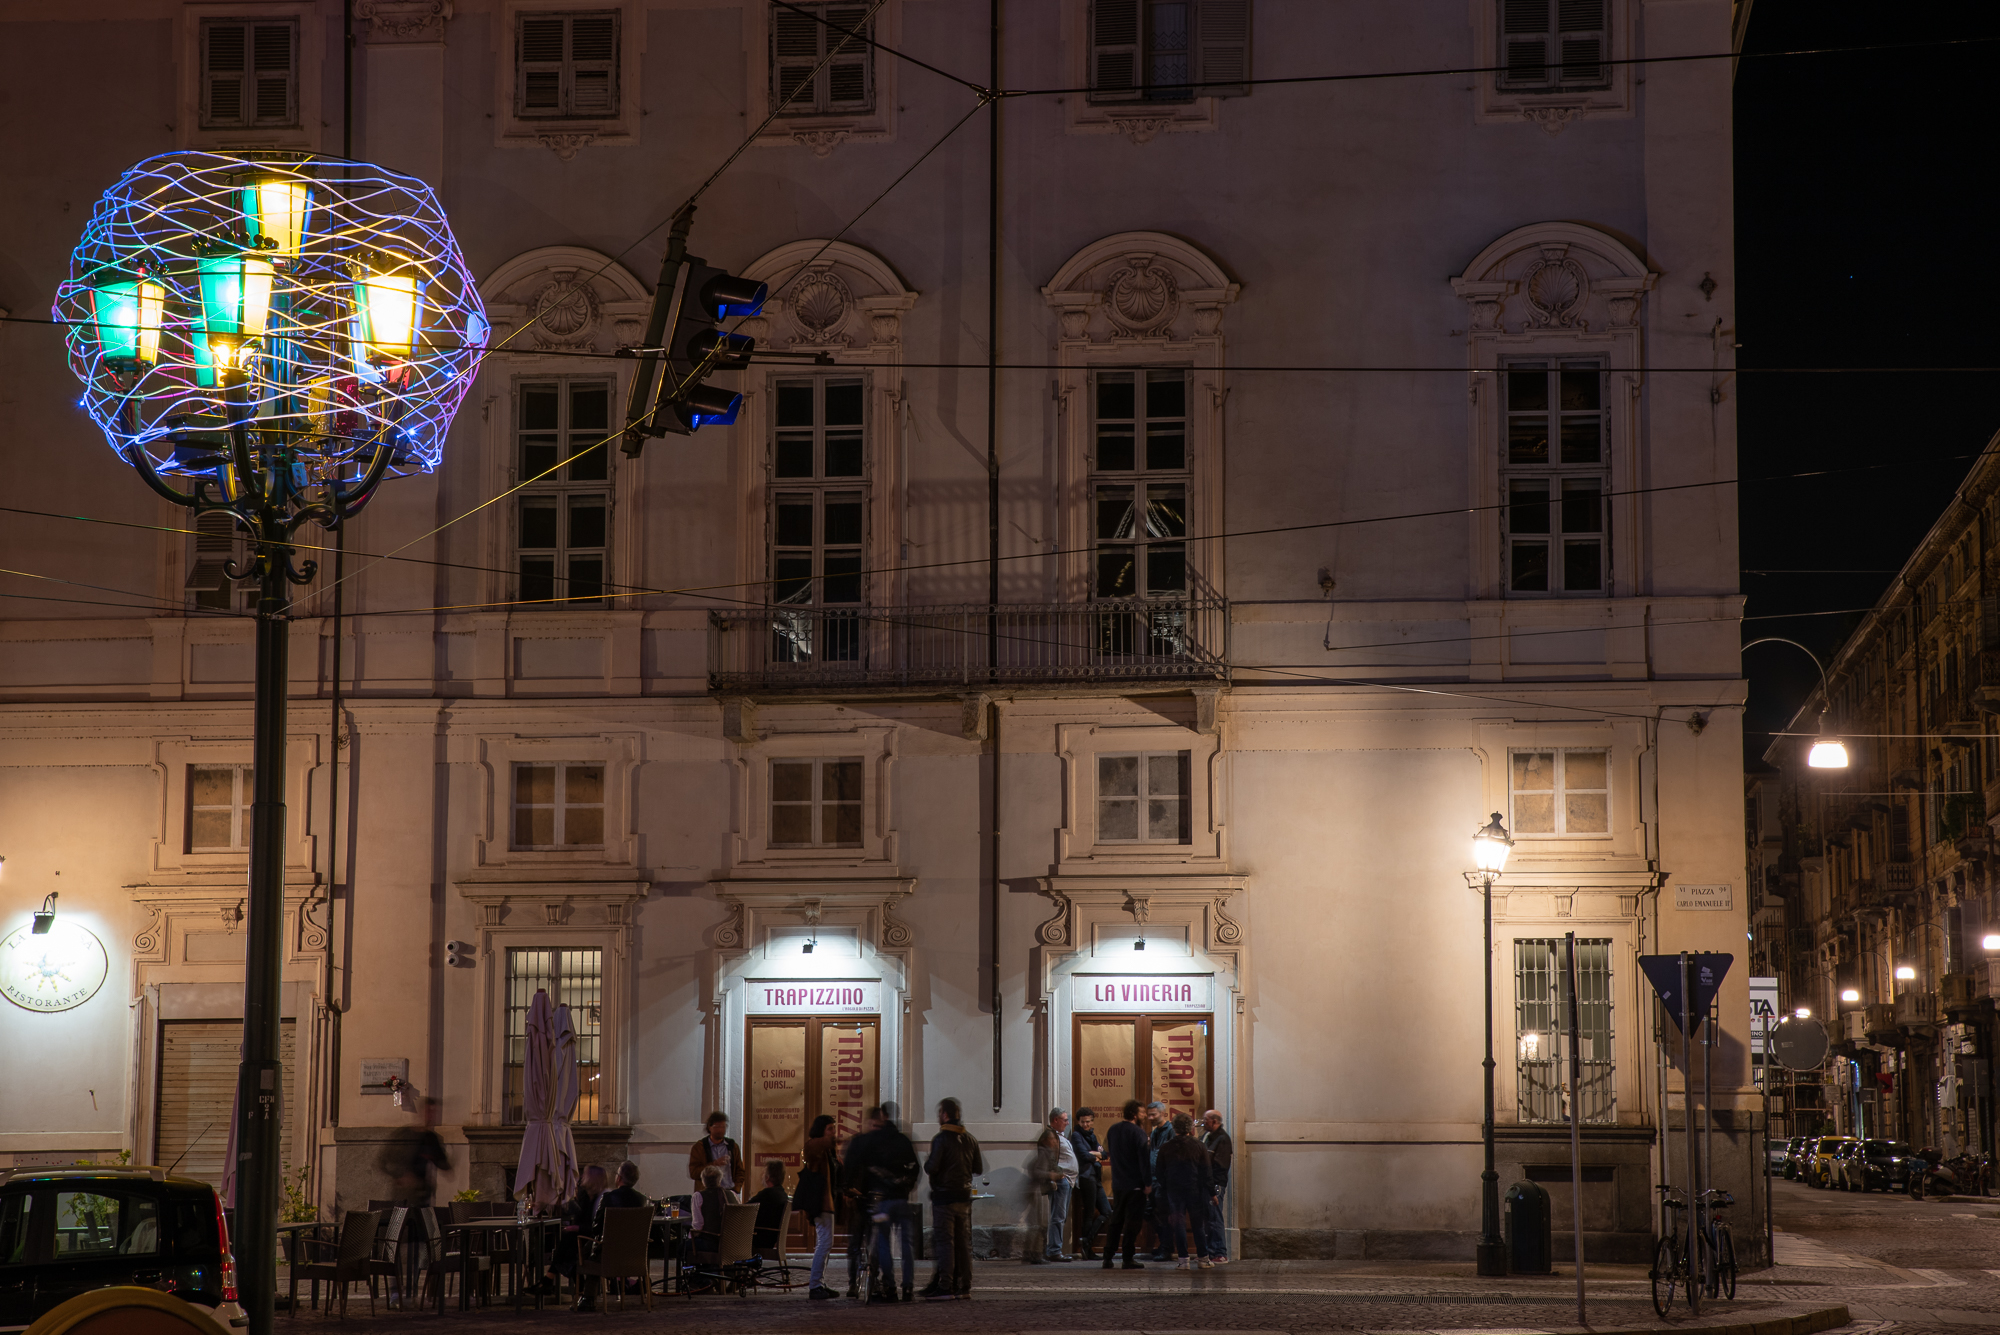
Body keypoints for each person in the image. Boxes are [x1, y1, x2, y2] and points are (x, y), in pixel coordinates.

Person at [844, 1101, 921, 1301]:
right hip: (901, 1200)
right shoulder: (902, 1140)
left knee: (883, 1243)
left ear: (882, 1117)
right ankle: (908, 1288)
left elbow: (854, 1162)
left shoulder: (871, 1140)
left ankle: (890, 1286)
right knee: (907, 1245)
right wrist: (906, 1187)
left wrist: (850, 1186)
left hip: (881, 1200)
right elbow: (915, 1168)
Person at [919, 1097, 983, 1300]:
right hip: (964, 1197)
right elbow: (978, 1169)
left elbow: (932, 1168)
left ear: (945, 1115)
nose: (939, 1117)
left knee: (945, 1242)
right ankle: (964, 1285)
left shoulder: (941, 1138)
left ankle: (946, 1286)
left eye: (940, 1113)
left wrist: (928, 1162)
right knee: (964, 1243)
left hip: (944, 1197)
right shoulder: (970, 1138)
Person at [575, 1160, 646, 1311]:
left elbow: (596, 1227)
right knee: (594, 1249)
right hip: (635, 1254)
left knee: (588, 1251)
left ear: (619, 1178)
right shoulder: (642, 1200)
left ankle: (588, 1297)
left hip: (609, 1253)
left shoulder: (608, 1198)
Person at [1155, 1114, 1215, 1269]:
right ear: (1191, 1128)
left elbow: (1159, 1172)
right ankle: (1203, 1258)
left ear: (1174, 1128)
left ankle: (1183, 1260)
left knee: (1179, 1224)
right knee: (1198, 1225)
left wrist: (1166, 1186)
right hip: (1195, 1190)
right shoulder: (1199, 1146)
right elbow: (1206, 1171)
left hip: (1174, 1191)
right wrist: (1211, 1192)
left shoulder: (1166, 1147)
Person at [1099, 1099, 1151, 1270]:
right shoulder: (1138, 1133)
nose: (1145, 1116)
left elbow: (1108, 1152)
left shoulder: (1113, 1130)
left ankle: (1107, 1257)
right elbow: (1144, 1161)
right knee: (1132, 1223)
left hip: (1118, 1183)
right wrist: (1147, 1183)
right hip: (1135, 1185)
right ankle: (1128, 1258)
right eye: (1143, 1113)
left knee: (1116, 1221)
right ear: (1135, 1115)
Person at [796, 1113, 840, 1300]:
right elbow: (816, 1145)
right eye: (829, 1129)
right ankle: (815, 1285)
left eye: (833, 1129)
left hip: (826, 1202)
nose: (833, 1133)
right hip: (820, 1203)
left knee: (825, 1243)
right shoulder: (814, 1144)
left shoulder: (827, 1150)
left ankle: (819, 1283)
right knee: (824, 1243)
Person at [547, 1163, 606, 1297]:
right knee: (569, 1242)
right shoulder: (587, 1197)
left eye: (584, 1175)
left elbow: (597, 1226)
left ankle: (550, 1279)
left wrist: (578, 1227)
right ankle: (557, 1281)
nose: (581, 1178)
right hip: (586, 1238)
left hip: (594, 1241)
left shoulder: (600, 1198)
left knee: (568, 1244)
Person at [1070, 1108, 1109, 1261]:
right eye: (1083, 1122)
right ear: (1078, 1122)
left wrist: (1094, 1154)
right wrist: (1094, 1155)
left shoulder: (1091, 1136)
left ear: (1092, 1121)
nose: (1086, 1124)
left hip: (1095, 1177)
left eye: (1088, 1121)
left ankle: (1086, 1241)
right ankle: (1087, 1248)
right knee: (1089, 1213)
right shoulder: (1076, 1135)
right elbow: (1082, 1155)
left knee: (1107, 1212)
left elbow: (1105, 1154)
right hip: (1086, 1177)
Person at [1021, 1127, 1060, 1265]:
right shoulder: (1044, 1153)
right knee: (1040, 1224)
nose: (1054, 1141)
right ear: (1045, 1141)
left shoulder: (1044, 1152)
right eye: (1052, 1139)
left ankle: (1030, 1253)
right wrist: (1051, 1175)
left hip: (1038, 1190)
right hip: (1038, 1190)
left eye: (1055, 1139)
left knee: (1037, 1223)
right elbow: (1037, 1171)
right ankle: (1036, 1254)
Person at [1045, 1108, 1079, 1261]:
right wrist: (1059, 1175)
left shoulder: (1059, 1136)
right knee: (1058, 1217)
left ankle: (1054, 1249)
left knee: (1061, 1216)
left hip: (1067, 1180)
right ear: (1055, 1120)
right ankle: (1054, 1251)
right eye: (1064, 1120)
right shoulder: (1051, 1136)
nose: (1067, 1122)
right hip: (1061, 1180)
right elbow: (1048, 1158)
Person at [1200, 1109, 1233, 1264]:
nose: (1203, 1122)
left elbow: (1220, 1165)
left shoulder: (1222, 1139)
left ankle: (1220, 1252)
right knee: (1208, 1218)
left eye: (1206, 1120)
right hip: (1207, 1183)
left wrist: (1211, 1183)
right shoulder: (1207, 1136)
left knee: (1214, 1217)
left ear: (1214, 1121)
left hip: (1215, 1184)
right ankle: (1210, 1251)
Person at [688, 1111, 741, 1195]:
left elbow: (740, 1170)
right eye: (717, 1127)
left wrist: (736, 1188)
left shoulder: (732, 1146)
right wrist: (714, 1164)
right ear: (710, 1127)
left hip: (729, 1191)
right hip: (707, 1194)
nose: (720, 1130)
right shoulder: (699, 1147)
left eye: (723, 1127)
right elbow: (694, 1173)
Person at [1145, 1102, 1173, 1259]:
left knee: (1164, 1215)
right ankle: (1164, 1244)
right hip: (1153, 1180)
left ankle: (1167, 1248)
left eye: (1153, 1114)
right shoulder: (1155, 1133)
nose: (1150, 1117)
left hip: (1163, 1182)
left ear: (1163, 1114)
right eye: (1149, 1114)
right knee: (1148, 1212)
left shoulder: (1170, 1131)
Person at [749, 1160, 789, 1257]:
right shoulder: (782, 1194)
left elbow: (743, 1210)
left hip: (760, 1239)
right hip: (770, 1238)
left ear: (767, 1177)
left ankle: (731, 1269)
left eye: (763, 1173)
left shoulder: (767, 1194)